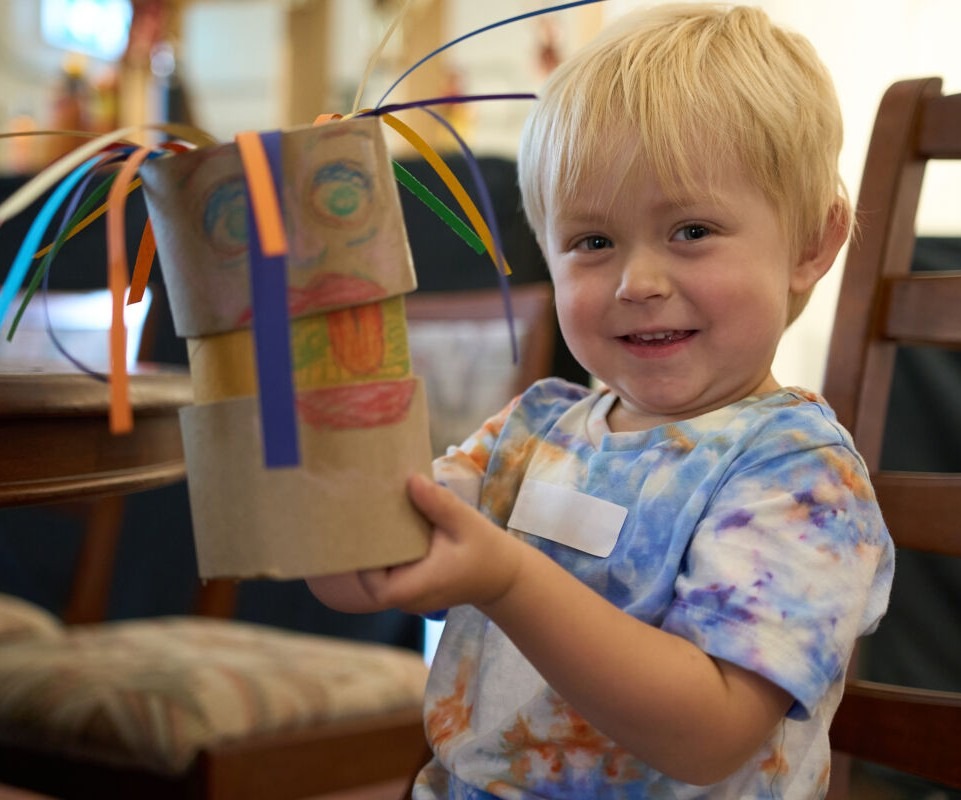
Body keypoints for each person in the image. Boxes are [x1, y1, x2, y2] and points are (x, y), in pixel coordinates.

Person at [306, 4, 894, 797]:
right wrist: (318, 482)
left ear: (810, 244)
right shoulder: (528, 430)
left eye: (690, 230)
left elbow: (709, 736)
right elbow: (362, 574)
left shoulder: (797, 474)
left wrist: (506, 579)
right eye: (591, 243)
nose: (637, 282)